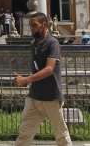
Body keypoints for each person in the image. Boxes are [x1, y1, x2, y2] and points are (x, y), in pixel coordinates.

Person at [13, 12, 72, 146]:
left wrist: (26, 80)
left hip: (51, 98)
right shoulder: (33, 44)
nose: (31, 29)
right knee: (24, 132)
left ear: (44, 25)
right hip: (34, 97)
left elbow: (49, 69)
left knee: (61, 134)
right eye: (30, 26)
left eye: (34, 25)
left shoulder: (53, 43)